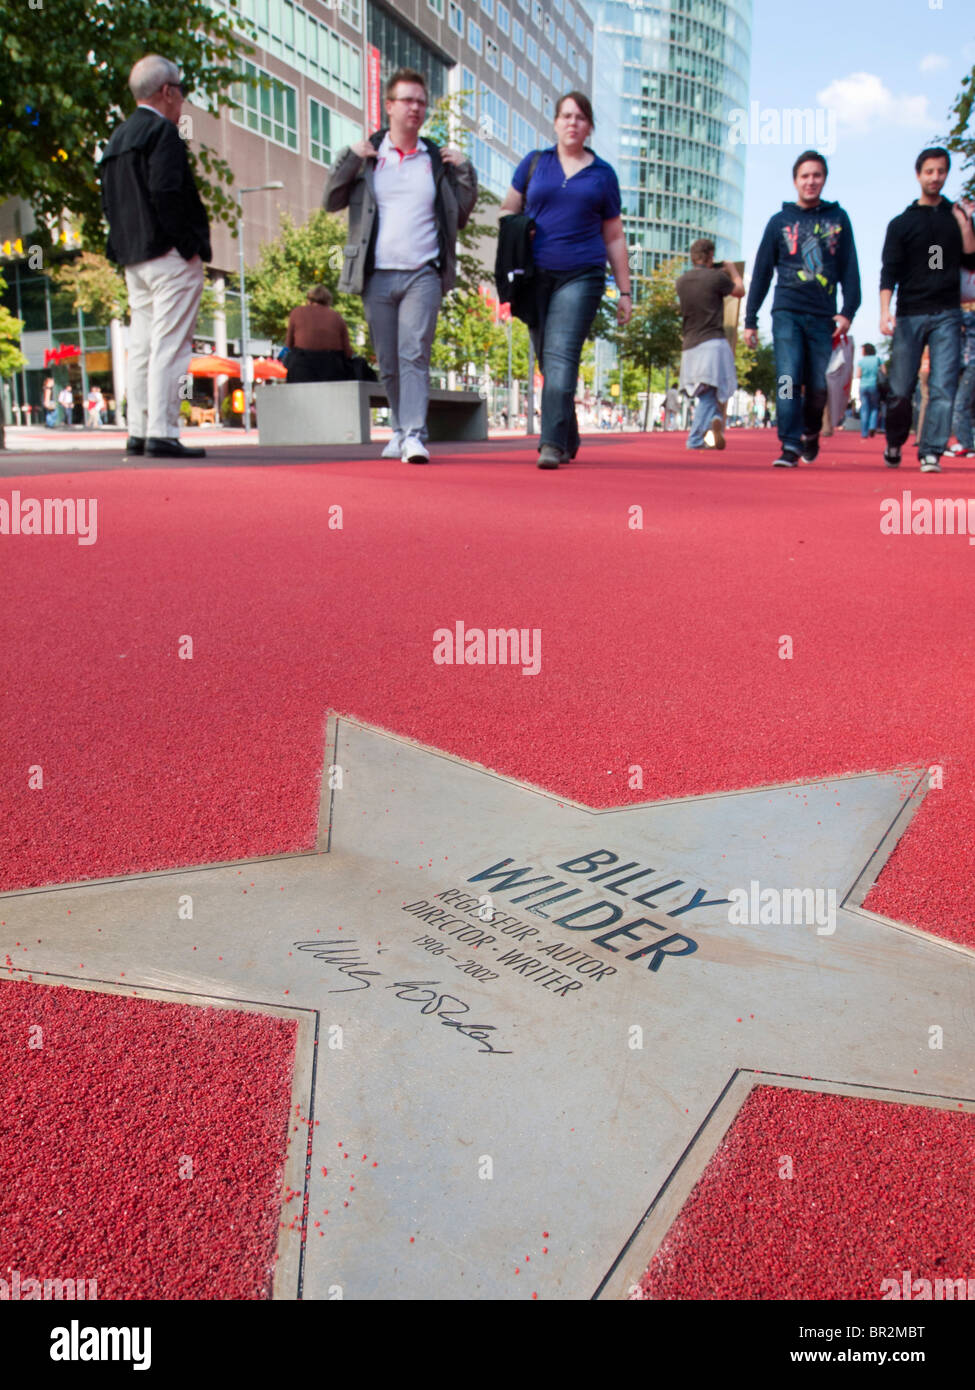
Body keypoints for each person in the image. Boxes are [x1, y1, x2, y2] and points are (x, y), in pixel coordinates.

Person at [325, 68, 476, 464]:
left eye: (421, 102)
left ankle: (412, 434)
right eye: (407, 100)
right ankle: (398, 429)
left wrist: (464, 171)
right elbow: (331, 199)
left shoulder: (436, 160)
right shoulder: (369, 157)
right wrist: (349, 159)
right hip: (376, 274)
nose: (415, 107)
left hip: (422, 273)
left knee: (414, 353)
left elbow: (460, 215)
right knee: (387, 361)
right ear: (388, 106)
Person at [499, 91, 631, 469]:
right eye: (566, 116)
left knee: (560, 355)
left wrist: (625, 291)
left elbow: (614, 236)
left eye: (580, 117)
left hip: (582, 273)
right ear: (555, 122)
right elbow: (508, 209)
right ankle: (569, 435)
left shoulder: (602, 175)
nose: (572, 122)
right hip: (534, 274)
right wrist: (518, 228)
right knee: (547, 360)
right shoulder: (534, 164)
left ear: (589, 127)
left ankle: (551, 443)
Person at [100, 54, 211, 459]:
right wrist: (188, 245)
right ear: (167, 91)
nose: (182, 101)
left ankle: (140, 429)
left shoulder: (116, 140)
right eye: (180, 91)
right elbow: (166, 192)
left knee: (144, 344)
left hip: (134, 257)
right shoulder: (163, 134)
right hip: (168, 255)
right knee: (171, 344)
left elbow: (109, 204)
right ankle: (162, 431)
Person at [744, 150, 861, 467]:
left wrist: (848, 311)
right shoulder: (779, 222)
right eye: (805, 176)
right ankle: (790, 444)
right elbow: (762, 272)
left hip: (824, 315)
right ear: (795, 181)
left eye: (817, 175)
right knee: (787, 378)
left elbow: (850, 268)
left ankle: (810, 432)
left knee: (819, 385)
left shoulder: (838, 219)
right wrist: (750, 320)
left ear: (824, 179)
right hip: (787, 313)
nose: (811, 181)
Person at [880, 148, 975, 473]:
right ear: (919, 175)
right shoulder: (902, 223)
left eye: (941, 171)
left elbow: (971, 261)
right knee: (900, 389)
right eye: (930, 171)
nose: (936, 177)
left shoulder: (956, 217)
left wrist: (964, 224)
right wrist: (885, 310)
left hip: (948, 312)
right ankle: (894, 441)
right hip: (909, 312)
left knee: (943, 386)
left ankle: (931, 450)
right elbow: (888, 270)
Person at [676, 238, 744, 451]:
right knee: (710, 392)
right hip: (713, 341)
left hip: (690, 343)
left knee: (703, 391)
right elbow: (739, 290)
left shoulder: (682, 281)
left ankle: (713, 419)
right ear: (710, 256)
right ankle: (696, 438)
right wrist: (732, 270)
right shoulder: (716, 279)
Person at [285, 286, 353, 383]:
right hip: (331, 367)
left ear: (309, 299)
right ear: (328, 301)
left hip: (302, 367)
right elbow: (348, 352)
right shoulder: (337, 317)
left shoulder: (296, 312)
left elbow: (289, 344)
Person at [946, 300, 975, 457]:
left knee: (960, 404)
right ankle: (967, 442)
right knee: (965, 404)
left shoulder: (967, 317)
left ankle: (966, 443)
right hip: (968, 363)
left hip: (971, 362)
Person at [857, 344, 881, 438]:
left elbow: (858, 375)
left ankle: (864, 432)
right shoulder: (877, 359)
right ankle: (872, 426)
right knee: (874, 407)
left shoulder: (861, 361)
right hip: (874, 385)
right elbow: (884, 372)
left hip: (863, 385)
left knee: (864, 409)